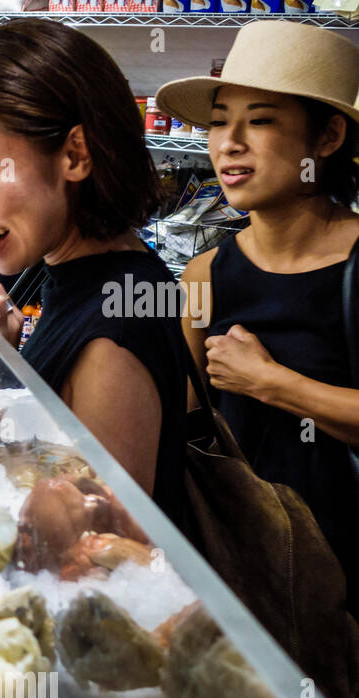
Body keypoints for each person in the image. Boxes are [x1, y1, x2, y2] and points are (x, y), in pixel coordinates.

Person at [0, 20, 189, 525]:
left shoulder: (112, 338)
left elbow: (97, 557)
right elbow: (28, 461)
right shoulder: (63, 271)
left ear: (75, 154)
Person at [157, 20, 359, 621]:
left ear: (326, 137)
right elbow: (180, 427)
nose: (229, 143)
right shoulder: (203, 277)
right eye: (220, 121)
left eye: (261, 120)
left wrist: (272, 384)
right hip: (248, 571)